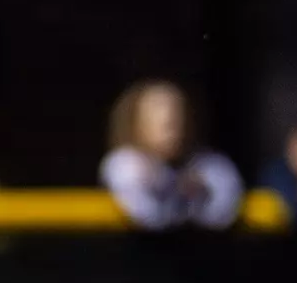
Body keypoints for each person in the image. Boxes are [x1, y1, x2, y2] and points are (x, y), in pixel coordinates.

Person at [100, 80, 244, 230]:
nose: (172, 125)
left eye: (177, 115)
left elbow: (222, 214)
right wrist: (173, 188)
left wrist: (197, 191)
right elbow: (150, 217)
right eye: (161, 119)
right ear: (136, 122)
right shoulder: (123, 164)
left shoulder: (211, 165)